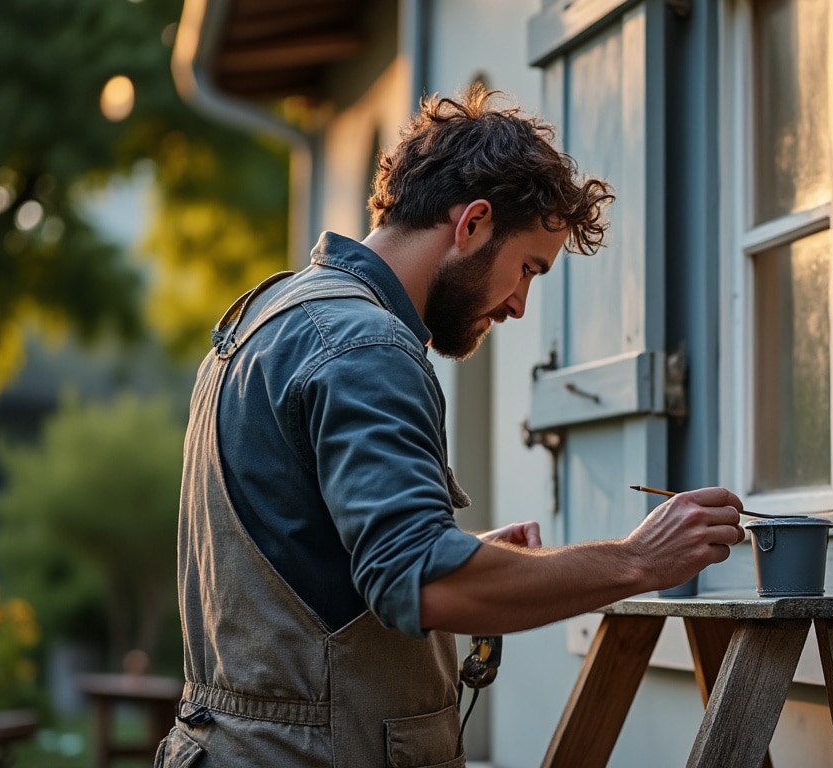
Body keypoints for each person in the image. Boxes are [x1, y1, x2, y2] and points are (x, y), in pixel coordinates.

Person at [156, 85, 744, 768]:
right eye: (527, 267)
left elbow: (299, 562)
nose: (520, 305)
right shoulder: (366, 347)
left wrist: (472, 554)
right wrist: (639, 559)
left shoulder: (271, 316)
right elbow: (422, 580)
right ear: (472, 224)